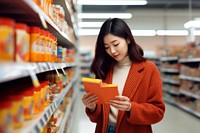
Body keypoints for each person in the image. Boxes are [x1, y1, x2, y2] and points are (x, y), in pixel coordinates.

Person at [82, 18, 165, 133]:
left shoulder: (149, 69)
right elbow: (99, 116)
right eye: (106, 47)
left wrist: (130, 107)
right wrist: (92, 107)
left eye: (116, 44)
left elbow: (158, 112)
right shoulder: (104, 69)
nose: (112, 51)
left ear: (128, 39)